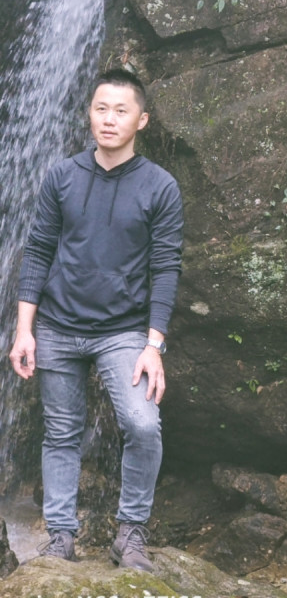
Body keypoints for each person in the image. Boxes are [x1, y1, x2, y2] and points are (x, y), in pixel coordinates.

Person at [8, 68, 183, 572]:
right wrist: (24, 330)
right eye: (100, 108)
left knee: (142, 425)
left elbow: (166, 267)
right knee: (61, 433)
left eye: (121, 111)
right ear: (89, 113)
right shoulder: (61, 176)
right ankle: (61, 537)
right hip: (56, 327)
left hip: (123, 333)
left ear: (141, 120)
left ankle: (130, 534)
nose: (109, 119)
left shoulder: (160, 186)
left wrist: (154, 344)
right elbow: (38, 251)